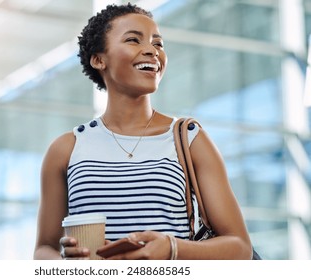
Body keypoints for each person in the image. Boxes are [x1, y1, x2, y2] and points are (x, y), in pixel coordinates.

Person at [33, 3, 253, 260]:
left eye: (158, 44)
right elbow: (43, 249)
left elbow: (240, 247)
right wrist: (66, 262)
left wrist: (173, 248)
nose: (151, 51)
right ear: (98, 59)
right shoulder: (65, 149)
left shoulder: (189, 138)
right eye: (133, 40)